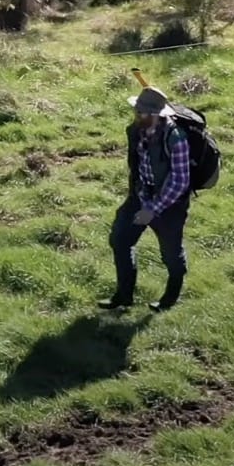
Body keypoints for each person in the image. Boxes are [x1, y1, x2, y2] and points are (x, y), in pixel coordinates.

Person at [102, 85, 192, 312]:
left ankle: (169, 299)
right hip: (141, 196)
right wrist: (140, 199)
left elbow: (180, 182)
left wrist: (153, 209)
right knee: (120, 240)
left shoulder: (176, 138)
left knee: (171, 255)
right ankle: (124, 296)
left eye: (140, 112)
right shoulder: (137, 130)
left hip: (169, 203)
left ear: (154, 115)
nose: (136, 115)